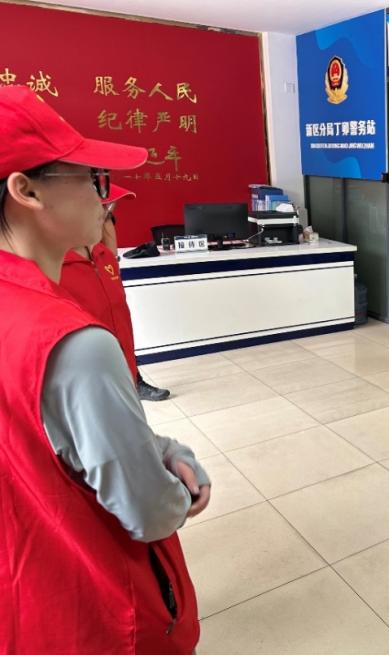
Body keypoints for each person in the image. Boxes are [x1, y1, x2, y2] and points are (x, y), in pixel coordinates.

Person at [0, 85, 210, 654]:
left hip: (27, 605)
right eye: (92, 179)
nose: (104, 197)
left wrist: (150, 444)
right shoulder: (72, 343)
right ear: (25, 190)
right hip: (103, 613)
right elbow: (149, 512)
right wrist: (179, 480)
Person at [59, 183, 172, 400]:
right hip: (90, 381)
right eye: (104, 208)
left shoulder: (104, 256)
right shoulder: (54, 266)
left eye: (110, 210)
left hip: (120, 356)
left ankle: (135, 381)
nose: (106, 215)